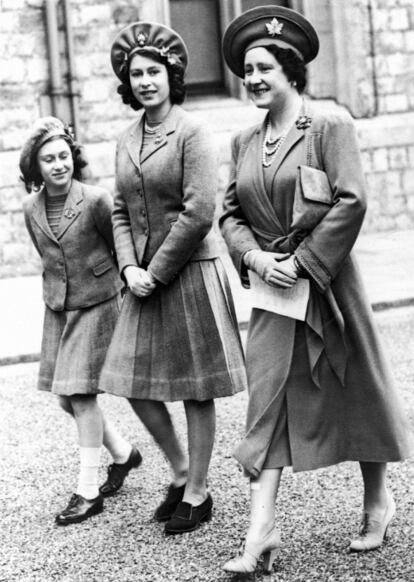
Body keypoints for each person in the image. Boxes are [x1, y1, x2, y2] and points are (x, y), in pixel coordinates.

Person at [219, 5, 413, 574]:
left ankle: (378, 500)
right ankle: (261, 533)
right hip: (272, 294)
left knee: (355, 387)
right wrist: (255, 257)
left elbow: (351, 199)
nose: (252, 78)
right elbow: (228, 215)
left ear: (291, 71)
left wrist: (302, 262)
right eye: (247, 69)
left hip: (327, 283)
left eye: (263, 68)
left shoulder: (329, 125)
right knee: (268, 399)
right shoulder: (243, 140)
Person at [99, 21, 247, 535]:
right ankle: (181, 471)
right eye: (135, 73)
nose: (144, 80)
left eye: (153, 71)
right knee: (129, 381)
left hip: (187, 273)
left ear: (172, 75)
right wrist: (128, 267)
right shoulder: (125, 137)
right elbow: (119, 210)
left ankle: (200, 492)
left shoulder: (194, 132)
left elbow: (199, 212)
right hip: (140, 277)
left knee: (194, 390)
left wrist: (155, 272)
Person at [20, 117, 142, 525]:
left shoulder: (95, 200)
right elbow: (47, 255)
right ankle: (124, 455)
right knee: (63, 399)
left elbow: (119, 248)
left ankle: (88, 491)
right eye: (49, 159)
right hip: (58, 307)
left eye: (64, 156)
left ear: (73, 157)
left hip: (97, 302)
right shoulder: (29, 208)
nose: (59, 164)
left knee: (82, 396)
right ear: (35, 166)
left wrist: (126, 294)